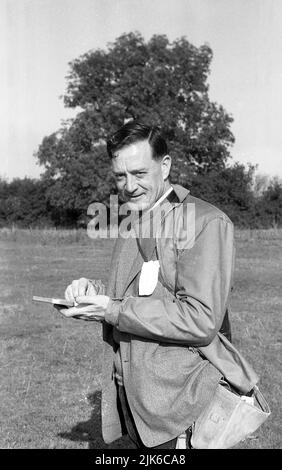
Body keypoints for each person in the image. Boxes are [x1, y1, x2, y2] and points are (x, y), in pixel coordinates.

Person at [58, 120, 258, 449]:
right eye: (120, 176)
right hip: (134, 395)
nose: (129, 186)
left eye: (139, 173)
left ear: (165, 166)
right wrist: (91, 292)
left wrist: (112, 310)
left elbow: (201, 319)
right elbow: (129, 294)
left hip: (180, 403)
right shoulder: (133, 219)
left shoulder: (205, 221)